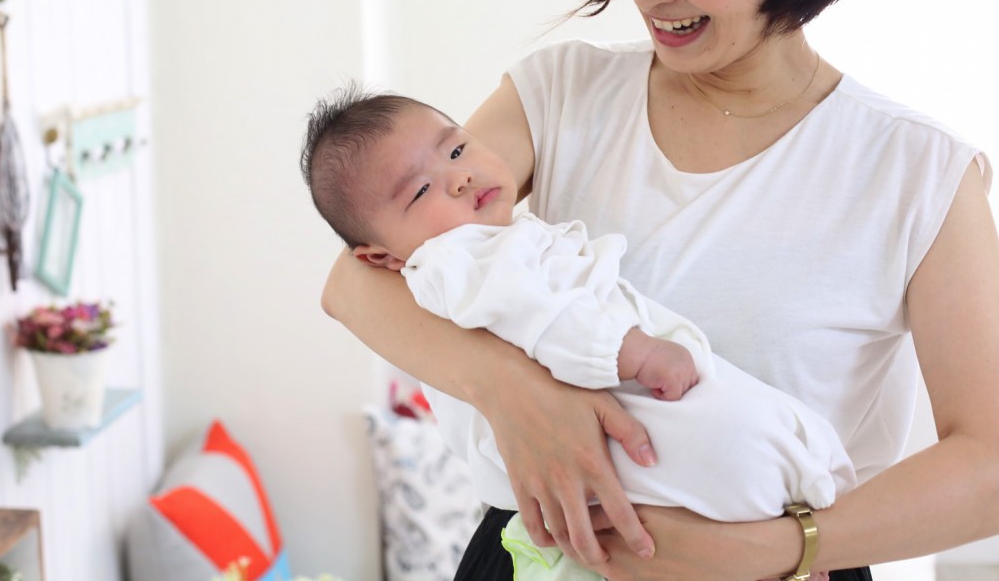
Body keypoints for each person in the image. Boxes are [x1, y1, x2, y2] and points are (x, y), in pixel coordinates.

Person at [319, 0, 999, 579]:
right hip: (546, 547)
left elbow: (987, 464)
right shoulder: (560, 94)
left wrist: (770, 548)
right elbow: (356, 279)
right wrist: (514, 393)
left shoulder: (915, 170)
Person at [300, 87, 856, 573]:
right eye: (420, 192)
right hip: (598, 411)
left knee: (733, 445)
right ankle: (783, 508)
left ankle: (785, 518)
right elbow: (539, 316)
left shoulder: (498, 240)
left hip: (603, 431)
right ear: (382, 257)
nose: (459, 175)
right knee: (731, 447)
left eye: (458, 148)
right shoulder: (452, 263)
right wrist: (630, 351)